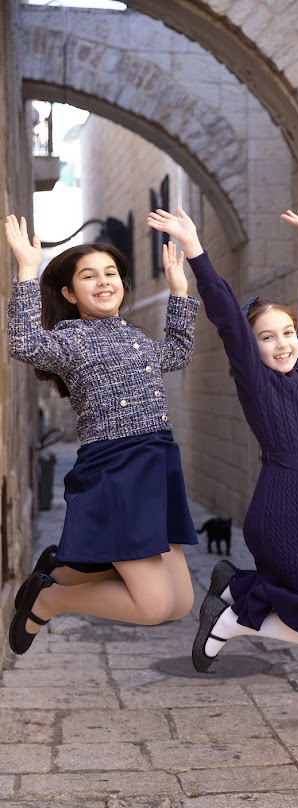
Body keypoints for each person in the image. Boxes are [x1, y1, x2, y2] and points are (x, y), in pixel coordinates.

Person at [147, 207, 298, 672]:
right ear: (252, 347)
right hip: (284, 509)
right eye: (267, 337)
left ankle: (233, 587)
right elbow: (226, 314)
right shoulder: (256, 380)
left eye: (287, 332)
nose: (282, 344)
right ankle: (232, 622)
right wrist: (195, 248)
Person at [5, 213, 200, 655]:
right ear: (70, 293)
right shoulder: (69, 338)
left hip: (157, 465)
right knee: (153, 606)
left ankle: (67, 569)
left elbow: (176, 353)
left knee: (180, 604)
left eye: (110, 273)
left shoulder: (134, 337)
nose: (103, 281)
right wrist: (28, 271)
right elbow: (24, 344)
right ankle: (49, 599)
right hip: (117, 469)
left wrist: (179, 292)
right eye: (89, 276)